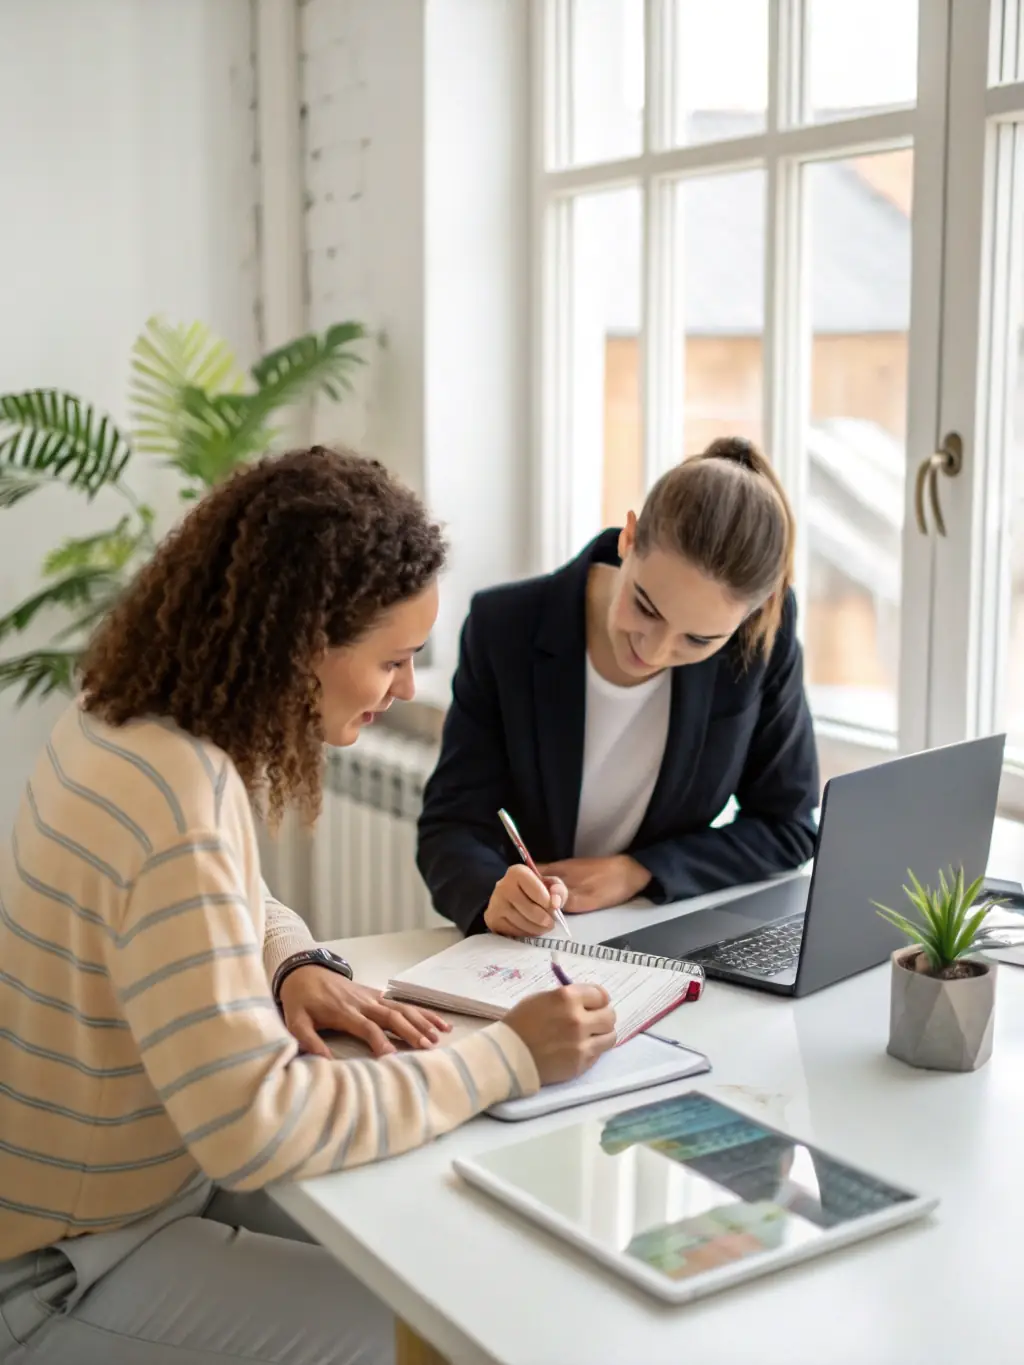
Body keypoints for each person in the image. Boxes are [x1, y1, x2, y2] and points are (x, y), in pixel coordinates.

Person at [0, 447, 617, 1365]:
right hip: (64, 1264)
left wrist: (290, 959)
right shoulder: (177, 793)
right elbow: (258, 1124)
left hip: (141, 1189)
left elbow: (233, 895)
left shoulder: (130, 718)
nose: (407, 688)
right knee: (452, 1340)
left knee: (440, 1249)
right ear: (300, 643)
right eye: (394, 660)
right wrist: (507, 1056)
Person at [417, 436, 820, 939]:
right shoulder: (506, 627)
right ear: (629, 538)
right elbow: (450, 827)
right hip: (533, 948)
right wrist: (490, 896)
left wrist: (639, 871)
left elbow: (788, 826)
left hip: (662, 933)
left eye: (698, 639)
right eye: (646, 607)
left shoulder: (763, 639)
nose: (653, 651)